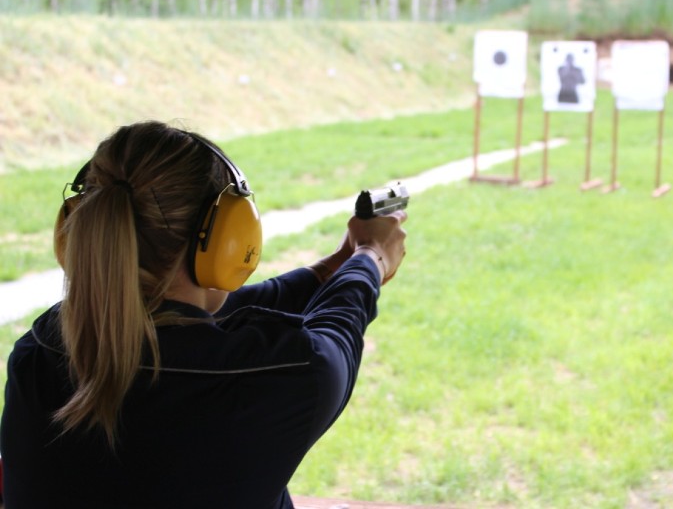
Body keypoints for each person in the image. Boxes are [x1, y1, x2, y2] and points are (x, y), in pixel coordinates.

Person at [0, 121, 407, 508]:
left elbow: (199, 321)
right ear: (226, 239)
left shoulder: (40, 351)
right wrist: (370, 257)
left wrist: (333, 266)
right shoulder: (282, 377)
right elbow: (338, 327)